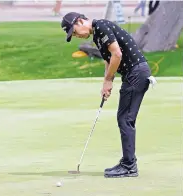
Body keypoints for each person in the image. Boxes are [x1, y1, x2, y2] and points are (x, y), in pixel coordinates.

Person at [61, 12, 152, 178]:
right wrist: (106, 82)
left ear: (80, 21)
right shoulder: (97, 33)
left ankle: (129, 166)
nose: (76, 36)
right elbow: (109, 58)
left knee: (125, 118)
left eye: (74, 32)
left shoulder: (101, 27)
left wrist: (109, 80)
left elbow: (117, 54)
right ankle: (128, 162)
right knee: (125, 118)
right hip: (133, 74)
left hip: (136, 73)